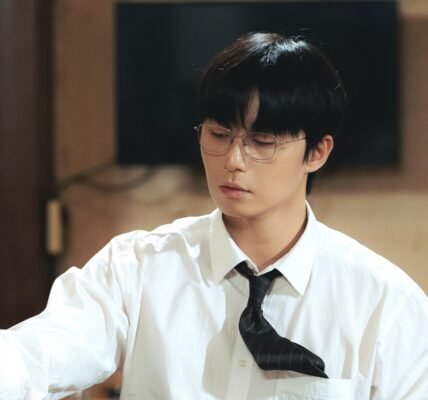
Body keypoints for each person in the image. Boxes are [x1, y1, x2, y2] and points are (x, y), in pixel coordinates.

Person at [1, 32, 427, 399]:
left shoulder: (384, 304)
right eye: (219, 134)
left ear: (316, 152)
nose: (233, 161)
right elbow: (39, 354)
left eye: (263, 141)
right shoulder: (137, 268)